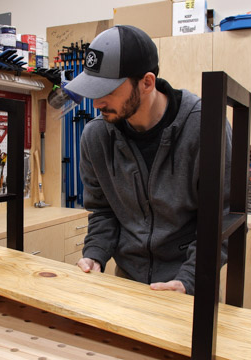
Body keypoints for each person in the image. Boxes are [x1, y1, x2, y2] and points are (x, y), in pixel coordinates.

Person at [65, 25, 231, 295]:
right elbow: (103, 211)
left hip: (191, 285)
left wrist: (188, 280)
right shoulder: (96, 136)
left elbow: (221, 219)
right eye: (93, 90)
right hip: (128, 285)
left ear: (147, 82)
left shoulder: (205, 127)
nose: (97, 103)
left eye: (107, 89)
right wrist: (95, 254)